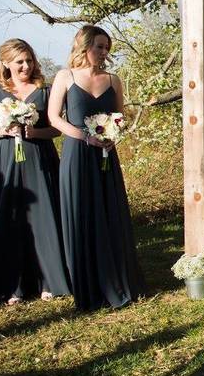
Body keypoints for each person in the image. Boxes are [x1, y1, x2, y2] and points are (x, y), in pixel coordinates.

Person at [48, 25, 145, 310]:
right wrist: (84, 137)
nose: (103, 53)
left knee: (109, 210)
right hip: (77, 153)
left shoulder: (113, 79)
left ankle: (116, 278)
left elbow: (120, 117)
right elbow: (54, 117)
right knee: (82, 212)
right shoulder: (65, 77)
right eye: (99, 46)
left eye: (107, 48)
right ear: (84, 45)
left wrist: (112, 136)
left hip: (105, 153)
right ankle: (87, 283)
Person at [0, 39, 71, 304]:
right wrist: (4, 130)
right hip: (5, 159)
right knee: (9, 218)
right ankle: (12, 284)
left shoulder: (45, 90)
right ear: (6, 62)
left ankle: (48, 280)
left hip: (38, 157)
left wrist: (35, 132)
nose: (25, 66)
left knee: (44, 217)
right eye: (19, 61)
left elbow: (56, 127)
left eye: (29, 60)